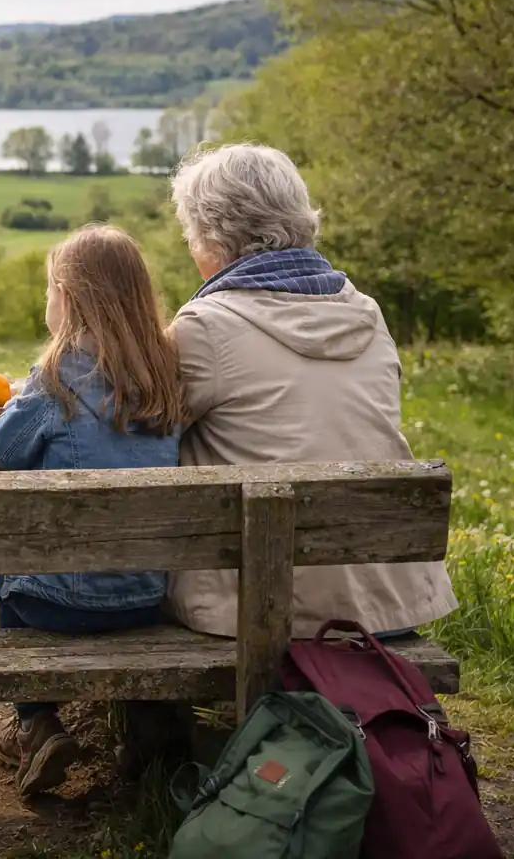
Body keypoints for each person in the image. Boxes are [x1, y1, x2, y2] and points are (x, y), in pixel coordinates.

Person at [167, 143, 458, 637]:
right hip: (383, 600)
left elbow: (141, 431)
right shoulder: (366, 312)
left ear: (212, 238)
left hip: (259, 608)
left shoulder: (206, 328)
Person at [0, 225, 187, 798]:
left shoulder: (56, 379)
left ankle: (36, 724)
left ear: (68, 298)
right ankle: (149, 723)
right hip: (146, 600)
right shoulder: (166, 377)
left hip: (56, 605)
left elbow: (5, 448)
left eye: (52, 289)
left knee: (9, 562)